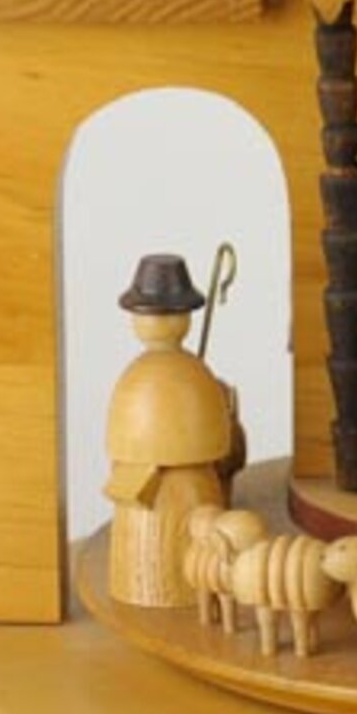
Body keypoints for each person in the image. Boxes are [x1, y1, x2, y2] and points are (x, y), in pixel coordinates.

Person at [103, 254, 234, 607]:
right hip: (151, 499)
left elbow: (217, 443)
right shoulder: (185, 376)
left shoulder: (151, 378)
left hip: (190, 496)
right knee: (150, 553)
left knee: (196, 565)